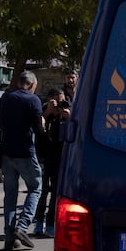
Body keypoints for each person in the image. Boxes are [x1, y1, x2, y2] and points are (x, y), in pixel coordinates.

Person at [0, 70, 44, 251]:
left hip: (6, 153)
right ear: (32, 84)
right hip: (25, 152)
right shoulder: (33, 100)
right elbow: (38, 131)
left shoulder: (7, 97)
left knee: (10, 195)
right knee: (35, 187)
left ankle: (9, 238)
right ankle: (22, 227)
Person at [35, 71, 77, 237]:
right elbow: (38, 128)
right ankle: (39, 223)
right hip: (45, 156)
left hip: (61, 156)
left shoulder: (66, 111)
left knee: (55, 192)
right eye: (57, 101)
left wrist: (68, 117)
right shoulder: (44, 110)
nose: (60, 104)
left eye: (62, 101)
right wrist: (48, 112)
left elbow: (75, 132)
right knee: (42, 191)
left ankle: (51, 224)